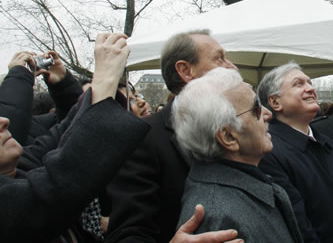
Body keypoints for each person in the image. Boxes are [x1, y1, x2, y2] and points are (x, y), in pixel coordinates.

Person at [0, 33, 150, 242]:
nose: (4, 121)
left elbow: (67, 132)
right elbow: (64, 180)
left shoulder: (23, 168)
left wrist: (64, 85)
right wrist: (105, 78)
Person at [106, 30, 241, 243]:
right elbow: (127, 233)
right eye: (219, 58)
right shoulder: (141, 138)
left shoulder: (240, 127)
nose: (231, 66)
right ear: (185, 70)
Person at [173, 67, 302, 243]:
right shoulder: (219, 219)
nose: (268, 113)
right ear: (228, 137)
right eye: (256, 108)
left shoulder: (229, 194)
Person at [257, 62, 333, 243]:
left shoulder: (328, 145)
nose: (310, 89)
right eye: (298, 84)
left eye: (309, 83)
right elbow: (297, 225)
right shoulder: (269, 152)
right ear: (275, 102)